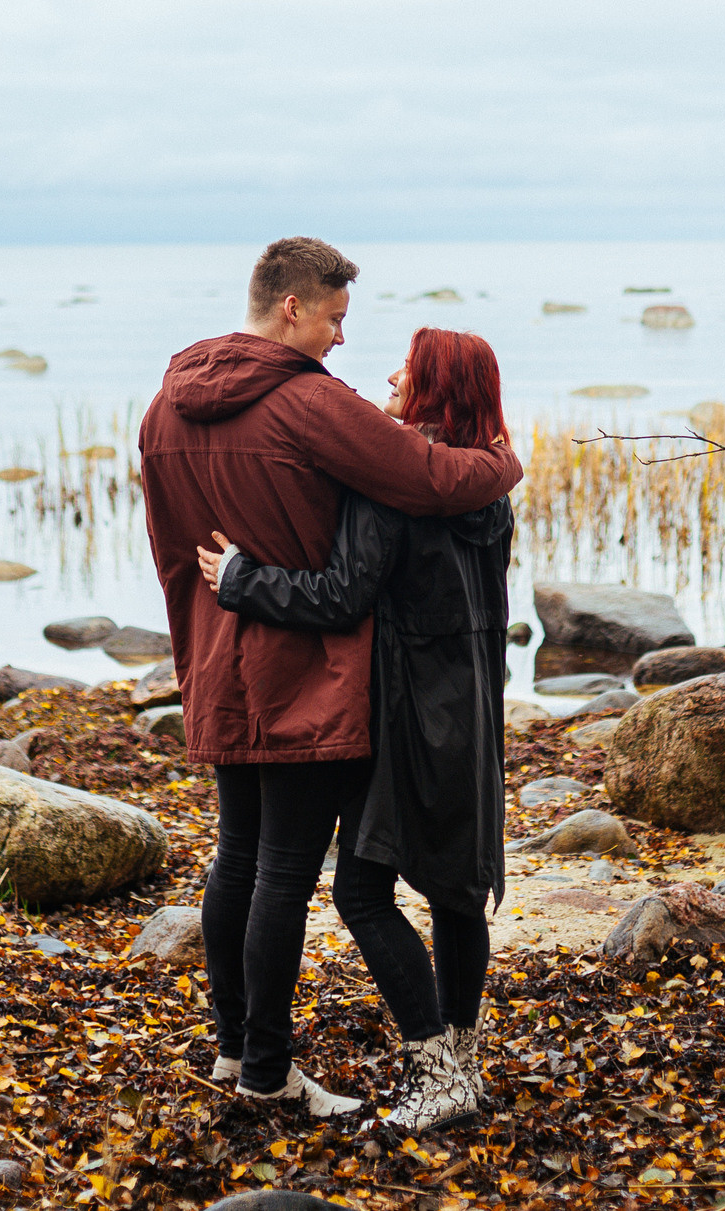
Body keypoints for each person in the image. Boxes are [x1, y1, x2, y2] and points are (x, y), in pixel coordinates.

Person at [139, 238, 522, 1117]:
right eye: (337, 318)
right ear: (292, 309)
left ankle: (236, 1051)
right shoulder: (309, 403)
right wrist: (504, 461)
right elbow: (429, 473)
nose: (344, 340)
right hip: (305, 672)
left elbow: (169, 546)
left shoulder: (164, 406)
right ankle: (272, 1069)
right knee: (281, 872)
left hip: (216, 656)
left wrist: (204, 622)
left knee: (235, 859)